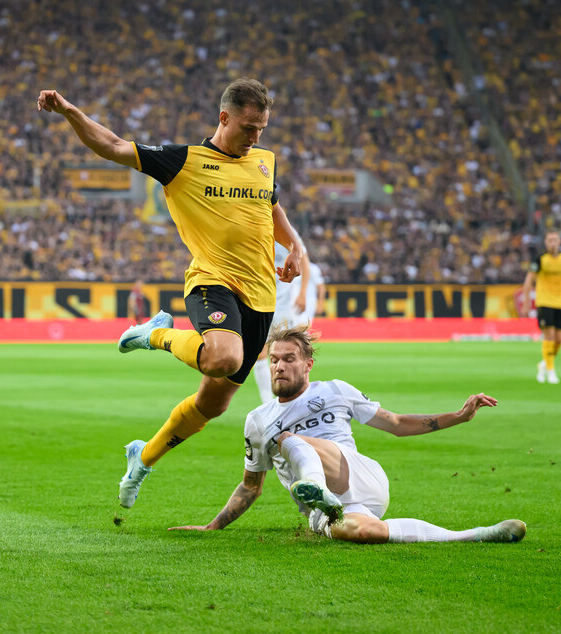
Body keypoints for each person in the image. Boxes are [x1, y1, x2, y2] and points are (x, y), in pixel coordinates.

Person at [38, 78, 306, 509]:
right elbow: (111, 146)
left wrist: (293, 244)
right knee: (224, 357)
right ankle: (156, 334)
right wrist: (70, 111)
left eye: (262, 128)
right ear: (224, 117)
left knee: (212, 404)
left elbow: (270, 205)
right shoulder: (183, 161)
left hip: (262, 297)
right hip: (211, 281)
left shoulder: (263, 161)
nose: (256, 136)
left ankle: (142, 457)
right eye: (249, 127)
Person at [170, 325, 527, 544]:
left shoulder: (336, 391)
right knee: (365, 533)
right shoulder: (257, 419)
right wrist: (212, 526)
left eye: (289, 358)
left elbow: (397, 424)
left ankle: (316, 488)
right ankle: (479, 534)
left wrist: (459, 417)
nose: (279, 365)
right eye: (274, 359)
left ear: (308, 364)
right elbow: (251, 485)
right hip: (333, 509)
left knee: (289, 439)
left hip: (357, 472)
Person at [252, 242, 311, 403]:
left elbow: (305, 263)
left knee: (291, 350)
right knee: (260, 353)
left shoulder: (287, 233)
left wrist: (303, 293)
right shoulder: (257, 228)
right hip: (259, 302)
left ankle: (300, 395)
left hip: (284, 306)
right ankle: (267, 401)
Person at [522, 231, 561, 384]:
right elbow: (529, 281)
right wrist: (526, 302)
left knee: (559, 339)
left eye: (555, 240)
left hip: (560, 303)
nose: (553, 242)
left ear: (560, 242)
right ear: (546, 242)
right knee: (550, 336)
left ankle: (544, 364)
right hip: (544, 301)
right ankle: (551, 372)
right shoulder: (540, 259)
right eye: (550, 240)